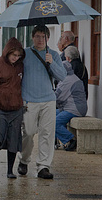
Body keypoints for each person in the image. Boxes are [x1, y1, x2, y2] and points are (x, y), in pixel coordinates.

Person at [17, 24, 66, 179]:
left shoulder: (54, 55)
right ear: (33, 37)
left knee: (47, 134)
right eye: (37, 36)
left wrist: (51, 63)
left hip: (48, 100)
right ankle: (24, 160)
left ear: (48, 38)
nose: (40, 40)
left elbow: (62, 76)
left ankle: (43, 166)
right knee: (29, 132)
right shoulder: (25, 54)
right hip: (29, 100)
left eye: (43, 37)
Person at [0, 38, 25, 179]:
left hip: (16, 108)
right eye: (13, 55)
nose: (16, 58)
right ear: (7, 52)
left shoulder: (21, 66)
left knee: (14, 139)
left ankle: (10, 170)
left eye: (18, 55)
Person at [55, 60, 88, 151]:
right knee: (49, 115)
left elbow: (59, 98)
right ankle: (57, 142)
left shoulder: (67, 80)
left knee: (54, 122)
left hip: (74, 109)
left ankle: (70, 140)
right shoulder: (71, 77)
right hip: (71, 107)